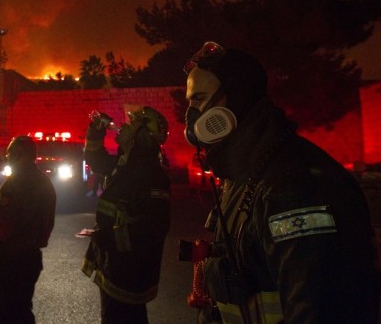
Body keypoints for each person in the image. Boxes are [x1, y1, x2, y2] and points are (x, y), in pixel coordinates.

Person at [183, 41, 380, 323]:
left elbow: (320, 309)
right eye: (190, 101)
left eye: (199, 99)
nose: (192, 116)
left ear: (238, 98)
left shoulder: (294, 186)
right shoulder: (246, 171)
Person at [80, 106, 171, 324]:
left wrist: (110, 239)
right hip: (114, 265)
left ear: (142, 135)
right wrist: (96, 129)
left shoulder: (150, 174)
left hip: (129, 271)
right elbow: (94, 158)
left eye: (131, 124)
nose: (123, 126)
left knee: (125, 319)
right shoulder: (125, 163)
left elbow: (154, 228)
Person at [0, 135, 56, 324]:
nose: (6, 158)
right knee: (21, 311)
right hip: (30, 259)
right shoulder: (45, 182)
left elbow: (1, 230)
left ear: (20, 154)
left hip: (9, 262)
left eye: (9, 153)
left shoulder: (15, 184)